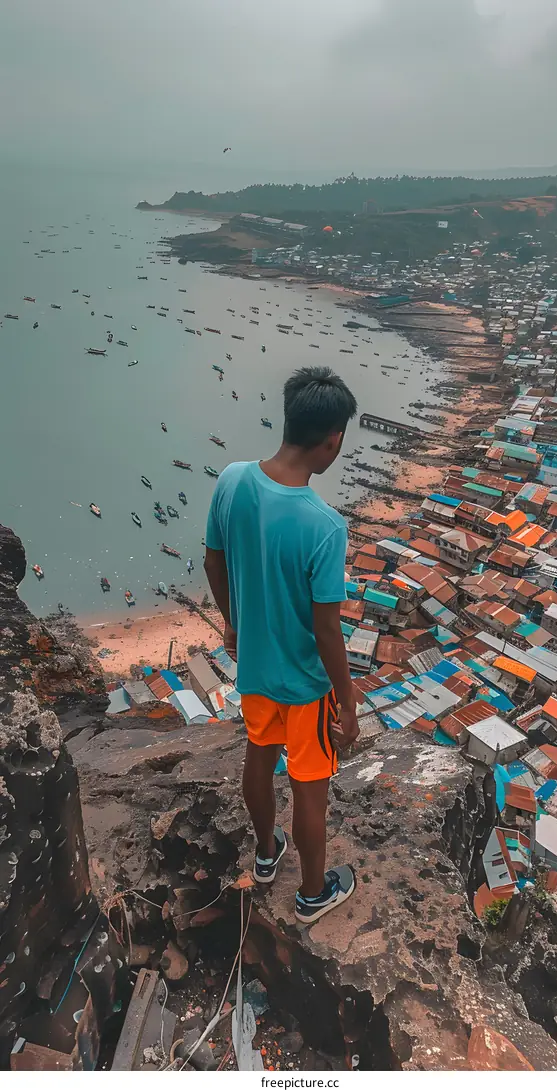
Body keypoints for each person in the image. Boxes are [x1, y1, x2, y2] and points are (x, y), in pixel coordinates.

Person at [204, 366, 359, 925]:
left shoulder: (232, 480)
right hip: (305, 683)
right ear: (333, 439)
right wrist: (348, 700)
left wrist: (233, 624)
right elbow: (326, 629)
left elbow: (213, 561)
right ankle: (314, 896)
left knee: (257, 759)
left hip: (256, 670)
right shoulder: (324, 526)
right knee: (309, 790)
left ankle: (266, 854)